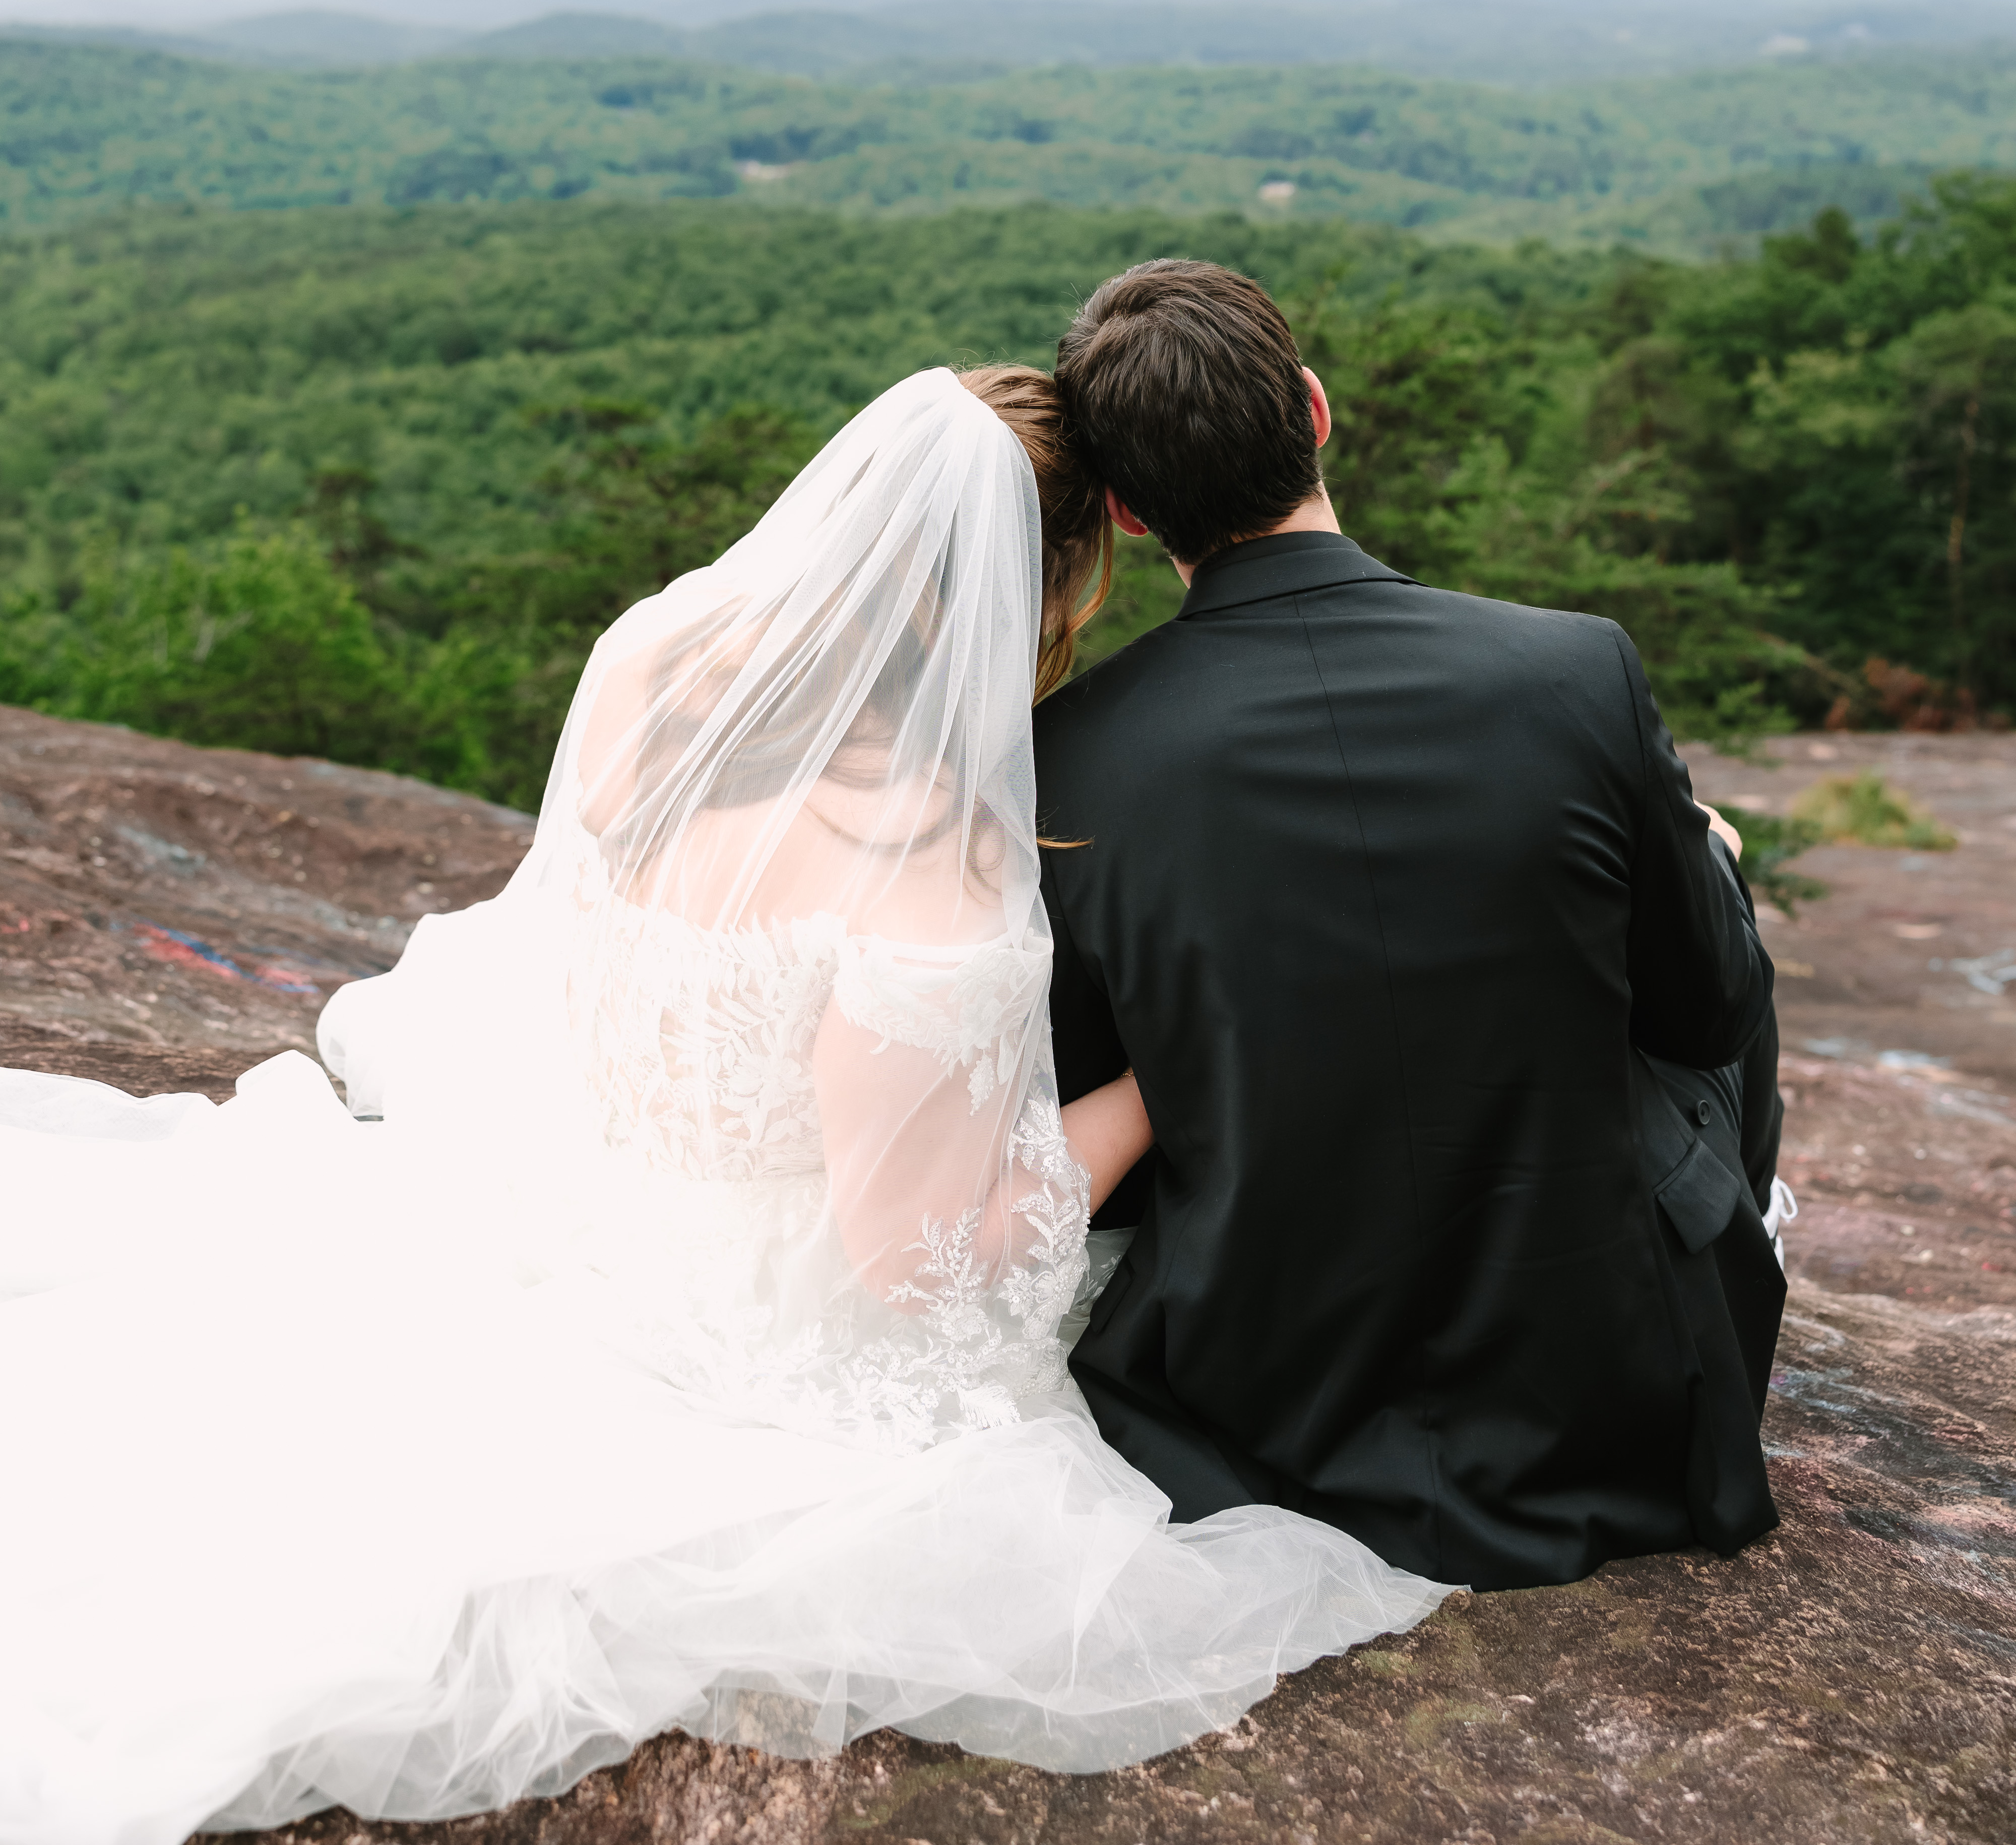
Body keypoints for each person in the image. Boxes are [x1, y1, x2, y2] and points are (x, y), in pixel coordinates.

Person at [0, 366, 1443, 1845]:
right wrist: (1164, 1083)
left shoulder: (663, 652)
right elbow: (916, 1259)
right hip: (763, 1332)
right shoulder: (927, 861)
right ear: (1048, 579)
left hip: (574, 1187)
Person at [1036, 261, 1788, 1594]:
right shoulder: (1572, 671)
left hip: (1262, 1393)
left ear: (1132, 512)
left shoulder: (1070, 758)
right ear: (1316, 414)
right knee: (1705, 906)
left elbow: (1099, 1098)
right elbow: (1709, 1016)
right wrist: (1709, 864)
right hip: (1605, 1402)